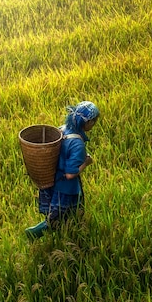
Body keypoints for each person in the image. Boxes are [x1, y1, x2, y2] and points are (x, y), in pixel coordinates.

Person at [25, 101, 100, 240]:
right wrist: (86, 162)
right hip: (66, 188)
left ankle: (69, 234)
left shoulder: (62, 129)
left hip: (52, 180)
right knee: (58, 217)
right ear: (88, 122)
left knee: (65, 214)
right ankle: (34, 233)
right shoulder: (77, 144)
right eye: (94, 121)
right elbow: (71, 174)